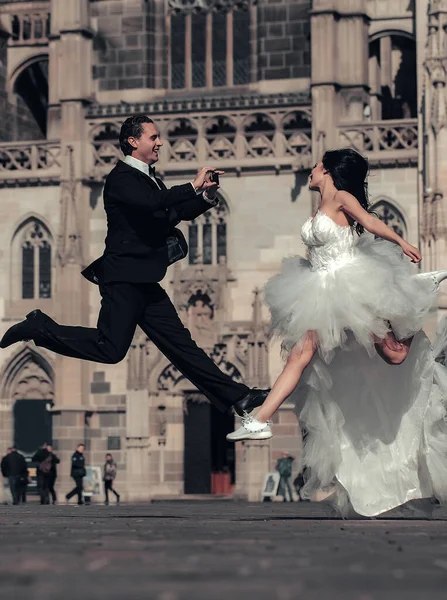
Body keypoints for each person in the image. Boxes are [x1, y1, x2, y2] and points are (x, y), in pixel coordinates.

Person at [0, 114, 268, 419]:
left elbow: (171, 213)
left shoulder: (150, 179)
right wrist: (192, 184)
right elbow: (153, 203)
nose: (160, 143)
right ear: (133, 141)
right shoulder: (121, 179)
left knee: (183, 347)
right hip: (123, 279)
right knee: (111, 350)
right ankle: (40, 328)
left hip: (145, 280)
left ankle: (239, 397)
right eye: (153, 137)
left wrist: (205, 196)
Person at [227, 148, 447, 517]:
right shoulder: (320, 204)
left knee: (394, 354)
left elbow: (371, 223)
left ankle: (421, 291)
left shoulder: (342, 197)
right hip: (320, 288)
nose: (309, 171)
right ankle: (260, 421)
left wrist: (403, 242)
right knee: (302, 354)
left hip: (350, 287)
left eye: (315, 166)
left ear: (327, 171)